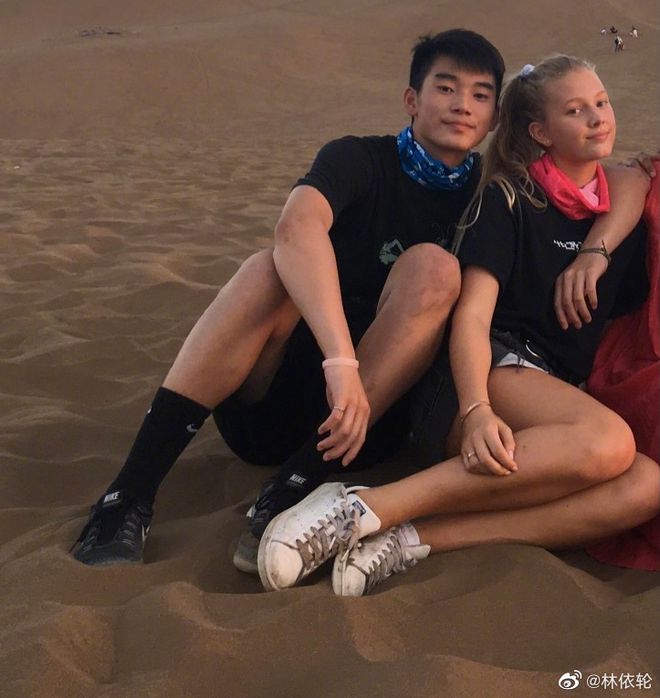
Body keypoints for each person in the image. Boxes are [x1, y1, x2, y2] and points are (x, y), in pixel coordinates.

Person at [71, 33, 646, 571]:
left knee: (433, 268)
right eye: (445, 88)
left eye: (479, 95)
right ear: (411, 99)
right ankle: (128, 496)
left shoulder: (494, 192)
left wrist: (595, 251)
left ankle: (292, 490)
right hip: (285, 390)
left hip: (367, 425)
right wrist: (340, 361)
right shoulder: (360, 160)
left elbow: (625, 179)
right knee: (265, 271)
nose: (461, 106)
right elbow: (297, 229)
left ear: (497, 116)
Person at [255, 55, 660, 596]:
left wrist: (594, 254)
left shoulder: (618, 205)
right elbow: (471, 317)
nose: (597, 118)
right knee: (608, 442)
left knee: (644, 486)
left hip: (552, 399)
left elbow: (636, 179)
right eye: (575, 110)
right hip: (478, 377)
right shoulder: (511, 197)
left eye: (602, 103)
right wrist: (476, 410)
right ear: (540, 132)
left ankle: (412, 540)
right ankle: (361, 507)